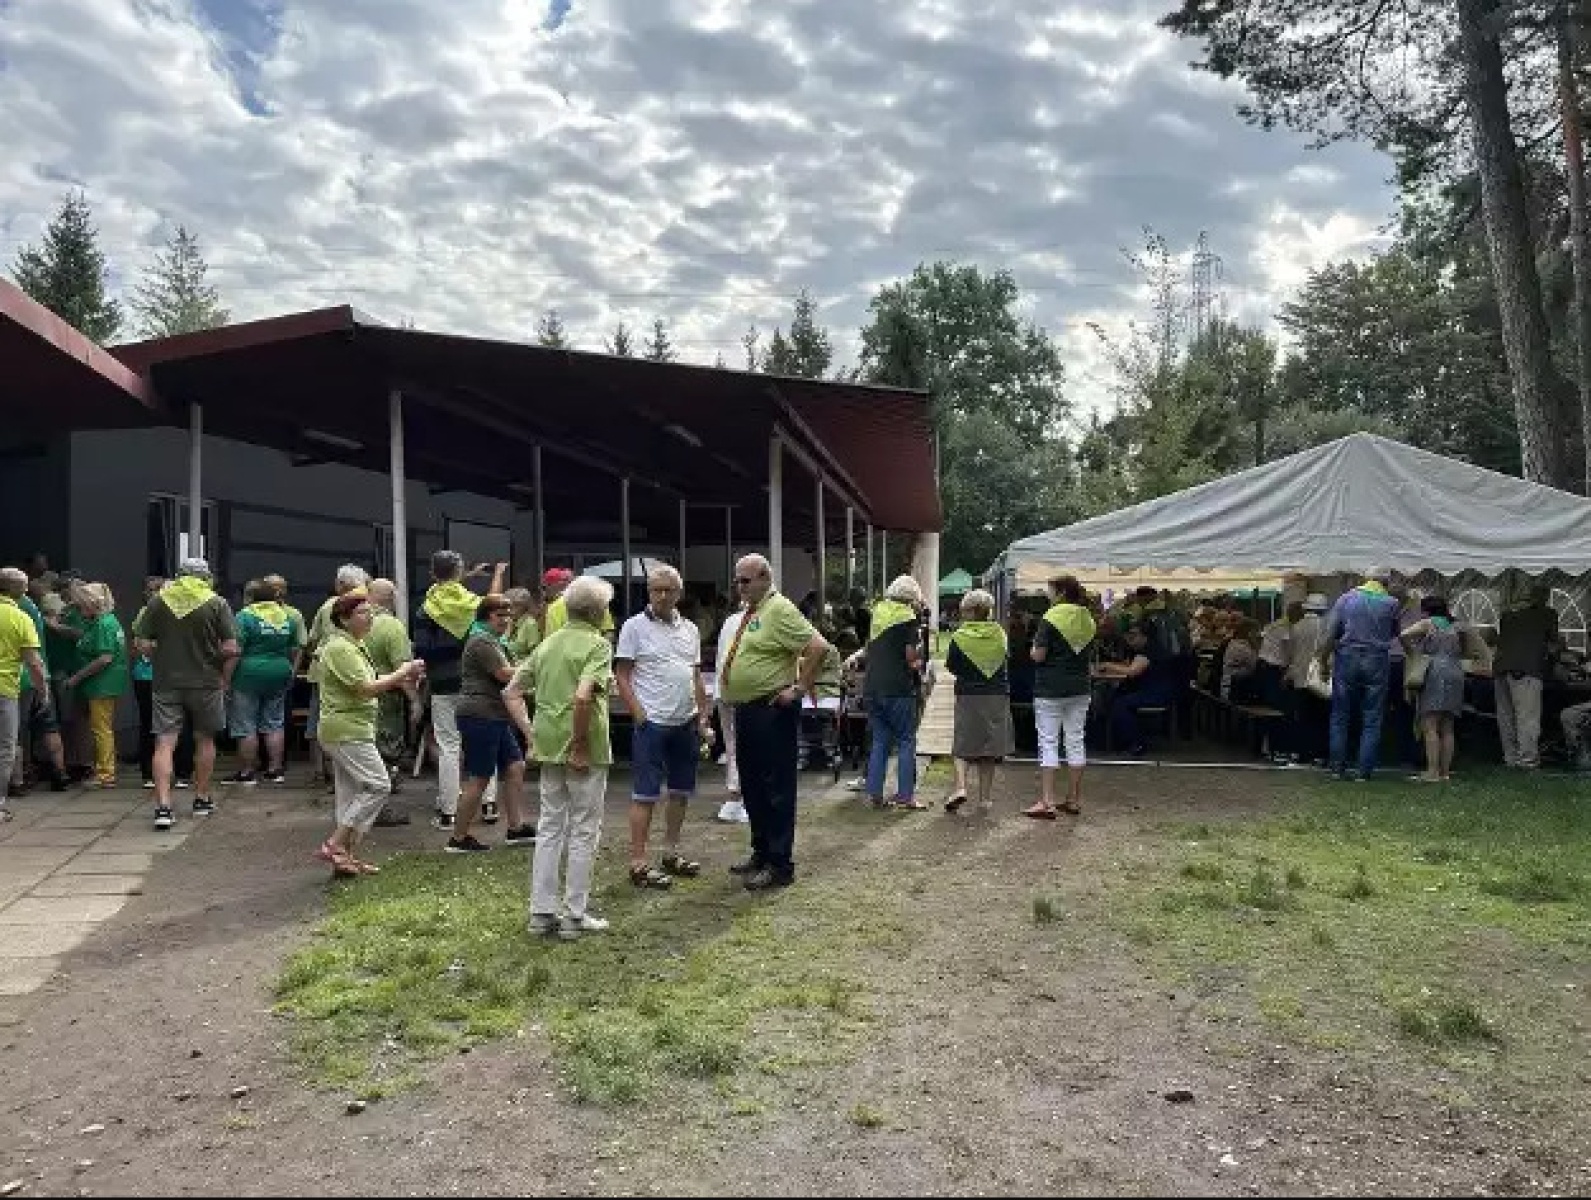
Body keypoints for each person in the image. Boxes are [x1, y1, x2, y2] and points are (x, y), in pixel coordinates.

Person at [506, 575, 616, 940]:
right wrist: (581, 744)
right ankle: (574, 914)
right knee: (584, 828)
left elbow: (512, 691)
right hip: (584, 746)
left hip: (549, 743)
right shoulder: (597, 646)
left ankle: (541, 912)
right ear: (599, 611)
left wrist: (530, 732)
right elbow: (584, 696)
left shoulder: (548, 644)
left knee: (551, 826)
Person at [716, 554, 830, 890]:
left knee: (775, 786)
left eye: (746, 580)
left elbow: (819, 647)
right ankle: (762, 850)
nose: (739, 587)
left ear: (765, 577)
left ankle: (780, 862)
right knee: (752, 784)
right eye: (737, 580)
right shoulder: (753, 613)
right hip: (748, 709)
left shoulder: (779, 609)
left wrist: (797, 689)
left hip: (771, 709)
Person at [614, 563, 713, 888]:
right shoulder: (634, 627)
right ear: (648, 592)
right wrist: (639, 714)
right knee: (645, 795)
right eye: (656, 589)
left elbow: (695, 674)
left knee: (680, 793)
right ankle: (639, 861)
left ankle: (670, 852)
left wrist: (702, 715)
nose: (661, 595)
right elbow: (622, 675)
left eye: (668, 590)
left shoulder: (690, 630)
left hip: (684, 721)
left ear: (678, 593)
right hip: (652, 722)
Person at [313, 592, 426, 877]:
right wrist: (403, 671)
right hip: (345, 729)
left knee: (350, 795)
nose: (369, 616)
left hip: (353, 727)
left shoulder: (354, 645)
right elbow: (366, 688)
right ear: (344, 619)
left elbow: (371, 684)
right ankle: (335, 845)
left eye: (370, 611)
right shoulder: (340, 648)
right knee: (378, 785)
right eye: (362, 612)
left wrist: (403, 675)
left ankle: (346, 858)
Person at [132, 558, 240, 829]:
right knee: (205, 740)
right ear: (205, 577)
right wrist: (211, 658)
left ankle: (164, 806)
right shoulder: (216, 603)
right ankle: (201, 798)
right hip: (205, 681)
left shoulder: (158, 601)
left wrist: (163, 654)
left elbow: (142, 643)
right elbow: (231, 647)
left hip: (166, 682)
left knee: (165, 743)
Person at [412, 553, 506, 830]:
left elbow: (422, 648)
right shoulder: (474, 605)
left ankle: (449, 811)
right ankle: (489, 804)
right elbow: (494, 615)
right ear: (460, 571)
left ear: (432, 573)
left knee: (449, 746)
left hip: (443, 683)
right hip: (479, 682)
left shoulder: (426, 607)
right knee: (484, 742)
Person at [449, 594, 538, 853]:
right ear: (485, 617)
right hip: (480, 715)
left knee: (515, 766)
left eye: (508, 615)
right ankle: (458, 837)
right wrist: (536, 668)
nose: (505, 620)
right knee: (479, 777)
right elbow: (502, 674)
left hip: (495, 716)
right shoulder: (481, 641)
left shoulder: (495, 641)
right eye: (499, 615)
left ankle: (516, 827)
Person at [1317, 568, 1401, 782]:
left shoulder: (1346, 599)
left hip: (1347, 657)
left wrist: (1323, 661)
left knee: (1340, 715)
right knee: (1372, 716)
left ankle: (1337, 768)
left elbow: (1331, 633)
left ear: (1366, 579)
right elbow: (1394, 633)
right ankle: (1364, 771)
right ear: (1386, 583)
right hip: (1377, 659)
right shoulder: (1391, 603)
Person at [1027, 575, 1097, 818]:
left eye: (1050, 590)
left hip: (1050, 688)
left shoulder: (1051, 617)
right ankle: (1074, 799)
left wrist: (1032, 650)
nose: (1048, 594)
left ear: (1060, 592)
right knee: (1075, 740)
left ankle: (1047, 801)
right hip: (1080, 687)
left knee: (1048, 741)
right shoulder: (1087, 618)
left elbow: (1039, 655)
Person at [224, 578, 303, 786]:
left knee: (245, 725)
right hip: (279, 671)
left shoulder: (244, 617)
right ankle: (275, 770)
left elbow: (235, 652)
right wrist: (290, 673)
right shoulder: (287, 616)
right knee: (274, 723)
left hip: (249, 674)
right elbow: (295, 649)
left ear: (250, 597)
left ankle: (247, 772)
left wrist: (226, 680)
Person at [858, 575, 927, 811]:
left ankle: (875, 793)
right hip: (898, 688)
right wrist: (919, 665)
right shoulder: (909, 619)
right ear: (913, 597)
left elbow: (871, 648)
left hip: (872, 686)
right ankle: (905, 795)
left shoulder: (878, 613)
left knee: (880, 740)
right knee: (907, 740)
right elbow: (910, 656)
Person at [1400, 595, 1487, 784]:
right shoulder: (1459, 626)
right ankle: (1445, 772)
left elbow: (1404, 635)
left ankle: (1432, 772)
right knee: (1448, 726)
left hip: (1434, 671)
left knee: (1430, 725)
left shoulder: (1427, 623)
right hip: (1456, 672)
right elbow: (1480, 649)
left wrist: (1413, 652)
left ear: (1426, 610)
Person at [942, 589, 1014, 816]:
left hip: (968, 695)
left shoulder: (960, 637)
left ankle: (961, 787)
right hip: (996, 695)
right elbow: (1004, 660)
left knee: (962, 745)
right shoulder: (1000, 634)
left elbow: (952, 665)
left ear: (971, 611)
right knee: (989, 749)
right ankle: (985, 799)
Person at [304, 565, 371, 788]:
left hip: (323, 671)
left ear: (340, 585)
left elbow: (312, 639)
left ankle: (320, 771)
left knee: (319, 721)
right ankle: (342, 774)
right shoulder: (366, 607)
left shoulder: (327, 607)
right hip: (355, 670)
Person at [363, 578, 418, 822]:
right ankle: (379, 809)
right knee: (384, 752)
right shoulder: (392, 627)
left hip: (359, 697)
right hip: (387, 699)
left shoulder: (354, 622)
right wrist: (415, 700)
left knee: (365, 750)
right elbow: (403, 670)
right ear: (391, 599)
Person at [63, 583, 128, 789]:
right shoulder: (106, 621)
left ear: (93, 604)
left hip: (102, 685)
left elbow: (104, 658)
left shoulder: (103, 625)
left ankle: (105, 774)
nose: (80, 608)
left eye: (83, 604)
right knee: (102, 728)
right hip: (103, 684)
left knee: (101, 729)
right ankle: (105, 770)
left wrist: (76, 678)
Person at [130, 576, 192, 790]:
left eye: (157, 589)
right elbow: (138, 643)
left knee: (174, 725)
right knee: (152, 724)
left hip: (163, 674)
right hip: (152, 675)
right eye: (149, 590)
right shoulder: (146, 613)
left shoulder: (169, 612)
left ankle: (180, 771)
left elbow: (141, 644)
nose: (153, 593)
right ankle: (151, 772)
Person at [1491, 582, 1560, 770]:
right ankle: (1528, 761)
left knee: (1506, 717)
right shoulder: (1548, 614)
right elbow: (1554, 644)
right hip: (1526, 670)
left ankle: (1510, 758)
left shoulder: (1507, 615)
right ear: (1544, 597)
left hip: (1501, 668)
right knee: (1527, 718)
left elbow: (1500, 640)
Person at [9, 576, 67, 796]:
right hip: (42, 675)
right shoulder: (33, 608)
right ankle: (60, 774)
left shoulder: (16, 609)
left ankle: (19, 779)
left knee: (16, 731)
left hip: (20, 677)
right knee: (49, 726)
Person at [0, 567, 49, 822]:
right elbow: (33, 662)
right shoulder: (20, 618)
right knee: (5, 747)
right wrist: (44, 690)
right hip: (5, 690)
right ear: (20, 591)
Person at [1097, 624, 1179, 758]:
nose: (1130, 639)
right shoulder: (1148, 648)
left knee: (1120, 703)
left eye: (1134, 636)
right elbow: (1131, 666)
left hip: (1157, 694)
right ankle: (1112, 739)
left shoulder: (1149, 650)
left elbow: (1132, 671)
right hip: (1154, 690)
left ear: (1144, 636)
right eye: (1129, 636)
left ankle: (1136, 743)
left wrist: (1107, 665)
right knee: (1115, 697)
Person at [712, 598, 749, 824]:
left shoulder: (729, 622)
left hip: (724, 690)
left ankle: (734, 799)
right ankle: (735, 799)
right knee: (743, 747)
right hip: (740, 692)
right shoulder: (753, 624)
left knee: (733, 745)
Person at [542, 567, 616, 639]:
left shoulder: (554, 608)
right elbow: (608, 632)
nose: (544, 592)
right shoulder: (598, 601)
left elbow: (551, 639)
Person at [504, 586, 545, 664]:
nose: (510, 610)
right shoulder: (509, 622)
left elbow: (535, 655)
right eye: (507, 606)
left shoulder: (530, 624)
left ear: (524, 606)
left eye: (515, 606)